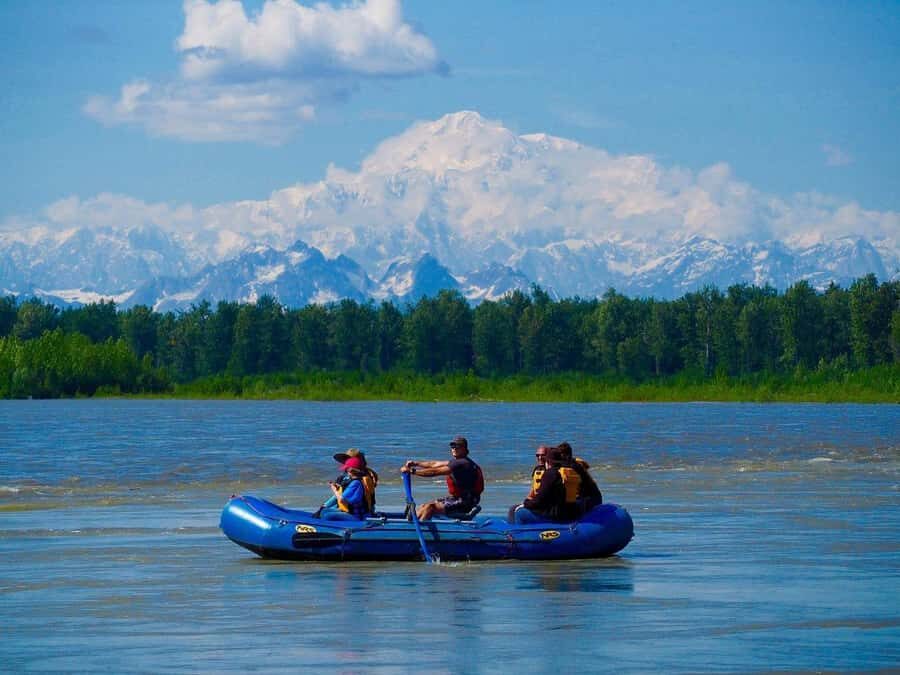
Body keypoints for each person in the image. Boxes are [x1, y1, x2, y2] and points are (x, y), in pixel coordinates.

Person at [402, 436, 484, 521]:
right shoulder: (460, 462)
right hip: (458, 499)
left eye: (458, 446)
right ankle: (412, 522)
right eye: (453, 446)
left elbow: (435, 472)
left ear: (465, 449)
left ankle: (419, 529)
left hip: (465, 503)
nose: (454, 448)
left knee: (430, 507)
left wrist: (412, 471)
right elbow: (434, 464)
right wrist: (416, 463)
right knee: (424, 506)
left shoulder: (462, 464)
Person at [515, 446, 582, 523]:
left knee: (519, 513)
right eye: (537, 455)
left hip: (554, 515)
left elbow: (540, 499)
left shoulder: (550, 474)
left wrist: (526, 504)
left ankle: (516, 534)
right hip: (566, 511)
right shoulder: (565, 472)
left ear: (548, 461)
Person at [316, 450, 377, 520]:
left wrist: (326, 504)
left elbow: (341, 498)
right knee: (325, 511)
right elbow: (342, 493)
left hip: (357, 513)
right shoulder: (351, 477)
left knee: (327, 514)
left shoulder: (359, 480)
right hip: (350, 508)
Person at [507, 445, 549, 522]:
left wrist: (531, 504)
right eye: (537, 455)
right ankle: (511, 530)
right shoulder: (537, 470)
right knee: (512, 509)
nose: (540, 458)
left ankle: (518, 531)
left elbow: (545, 494)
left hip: (542, 505)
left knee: (517, 512)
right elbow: (533, 490)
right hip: (536, 502)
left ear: (548, 456)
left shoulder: (550, 472)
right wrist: (526, 501)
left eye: (543, 455)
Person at [556, 441, 602, 510]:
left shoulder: (573, 466)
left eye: (558, 456)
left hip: (590, 498)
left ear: (565, 455)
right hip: (587, 497)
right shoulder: (574, 463)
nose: (557, 459)